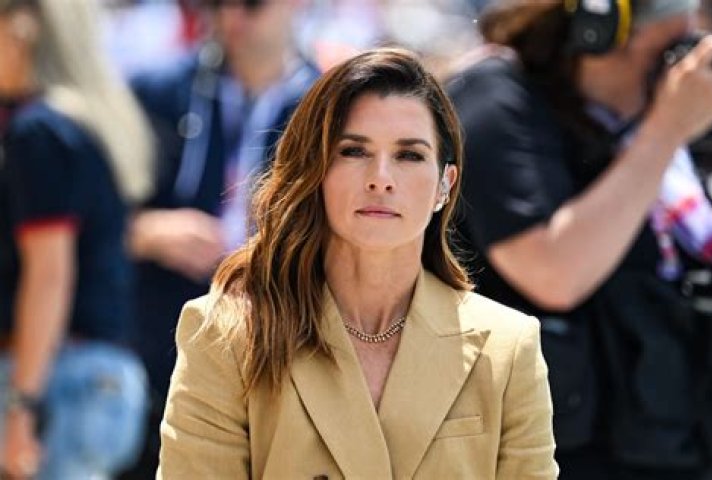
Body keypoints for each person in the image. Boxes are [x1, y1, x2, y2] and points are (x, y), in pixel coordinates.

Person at [157, 48, 559, 479]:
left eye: (409, 155)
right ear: (315, 170)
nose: (381, 178)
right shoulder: (227, 333)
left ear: (446, 184)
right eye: (353, 151)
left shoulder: (507, 346)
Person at [447, 0, 712, 478]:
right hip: (561, 456)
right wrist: (666, 129)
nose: (681, 75)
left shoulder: (646, 128)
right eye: (670, 52)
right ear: (600, 31)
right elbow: (553, 273)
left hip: (672, 445)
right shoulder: (496, 102)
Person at [125, 0, 319, 475]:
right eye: (215, 2)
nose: (231, 17)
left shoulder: (328, 107)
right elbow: (91, 214)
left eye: (252, 4)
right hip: (158, 340)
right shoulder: (157, 90)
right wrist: (144, 230)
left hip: (278, 345)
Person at [0, 0, 153, 478]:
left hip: (60, 379)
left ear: (24, 30)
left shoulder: (38, 132)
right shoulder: (85, 122)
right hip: (99, 377)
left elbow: (49, 275)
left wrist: (22, 405)